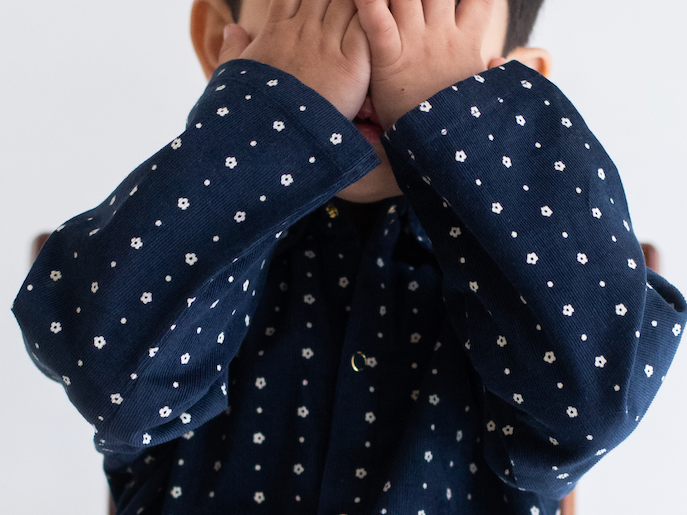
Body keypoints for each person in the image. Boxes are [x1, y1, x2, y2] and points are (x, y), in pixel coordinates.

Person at [12, 0, 686, 513]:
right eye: (325, 11)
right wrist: (277, 111)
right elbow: (114, 379)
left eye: (424, 16)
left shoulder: (542, 273)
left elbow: (591, 403)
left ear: (512, 84)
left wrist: (460, 119)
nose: (374, 52)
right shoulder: (182, 238)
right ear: (220, 40)